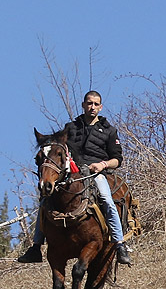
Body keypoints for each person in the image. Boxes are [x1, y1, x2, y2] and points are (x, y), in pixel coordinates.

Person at [19, 91, 132, 266]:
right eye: (89, 103)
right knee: (44, 201)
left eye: (96, 104)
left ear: (100, 107)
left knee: (107, 200)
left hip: (97, 173)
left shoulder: (110, 131)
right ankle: (35, 247)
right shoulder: (70, 128)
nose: (92, 107)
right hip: (73, 172)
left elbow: (117, 159)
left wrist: (102, 165)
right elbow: (59, 149)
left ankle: (119, 244)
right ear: (83, 105)